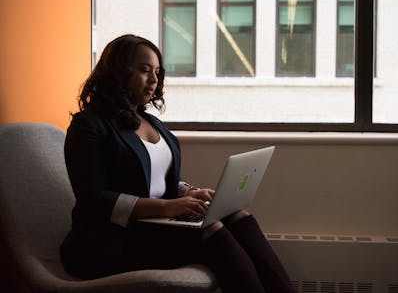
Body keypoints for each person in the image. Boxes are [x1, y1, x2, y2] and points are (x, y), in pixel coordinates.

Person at [60, 34, 296, 293]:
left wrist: (188, 192)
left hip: (155, 226)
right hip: (108, 240)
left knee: (238, 215)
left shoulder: (151, 122)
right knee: (213, 228)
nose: (153, 80)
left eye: (157, 73)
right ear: (117, 71)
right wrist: (168, 207)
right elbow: (94, 199)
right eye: (144, 70)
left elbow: (160, 178)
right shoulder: (89, 125)